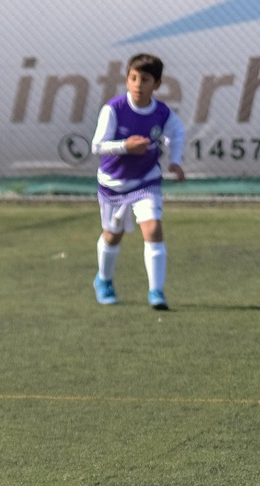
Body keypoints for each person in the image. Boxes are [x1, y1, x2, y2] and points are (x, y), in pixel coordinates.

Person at [90, 53, 186, 310]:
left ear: (156, 84)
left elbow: (176, 133)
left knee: (153, 228)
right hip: (114, 183)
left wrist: (175, 160)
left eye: (145, 79)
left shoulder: (162, 113)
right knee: (113, 235)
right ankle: (104, 280)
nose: (137, 84)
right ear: (127, 79)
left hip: (146, 180)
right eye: (133, 78)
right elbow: (97, 146)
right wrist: (125, 146)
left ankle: (157, 292)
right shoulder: (114, 109)